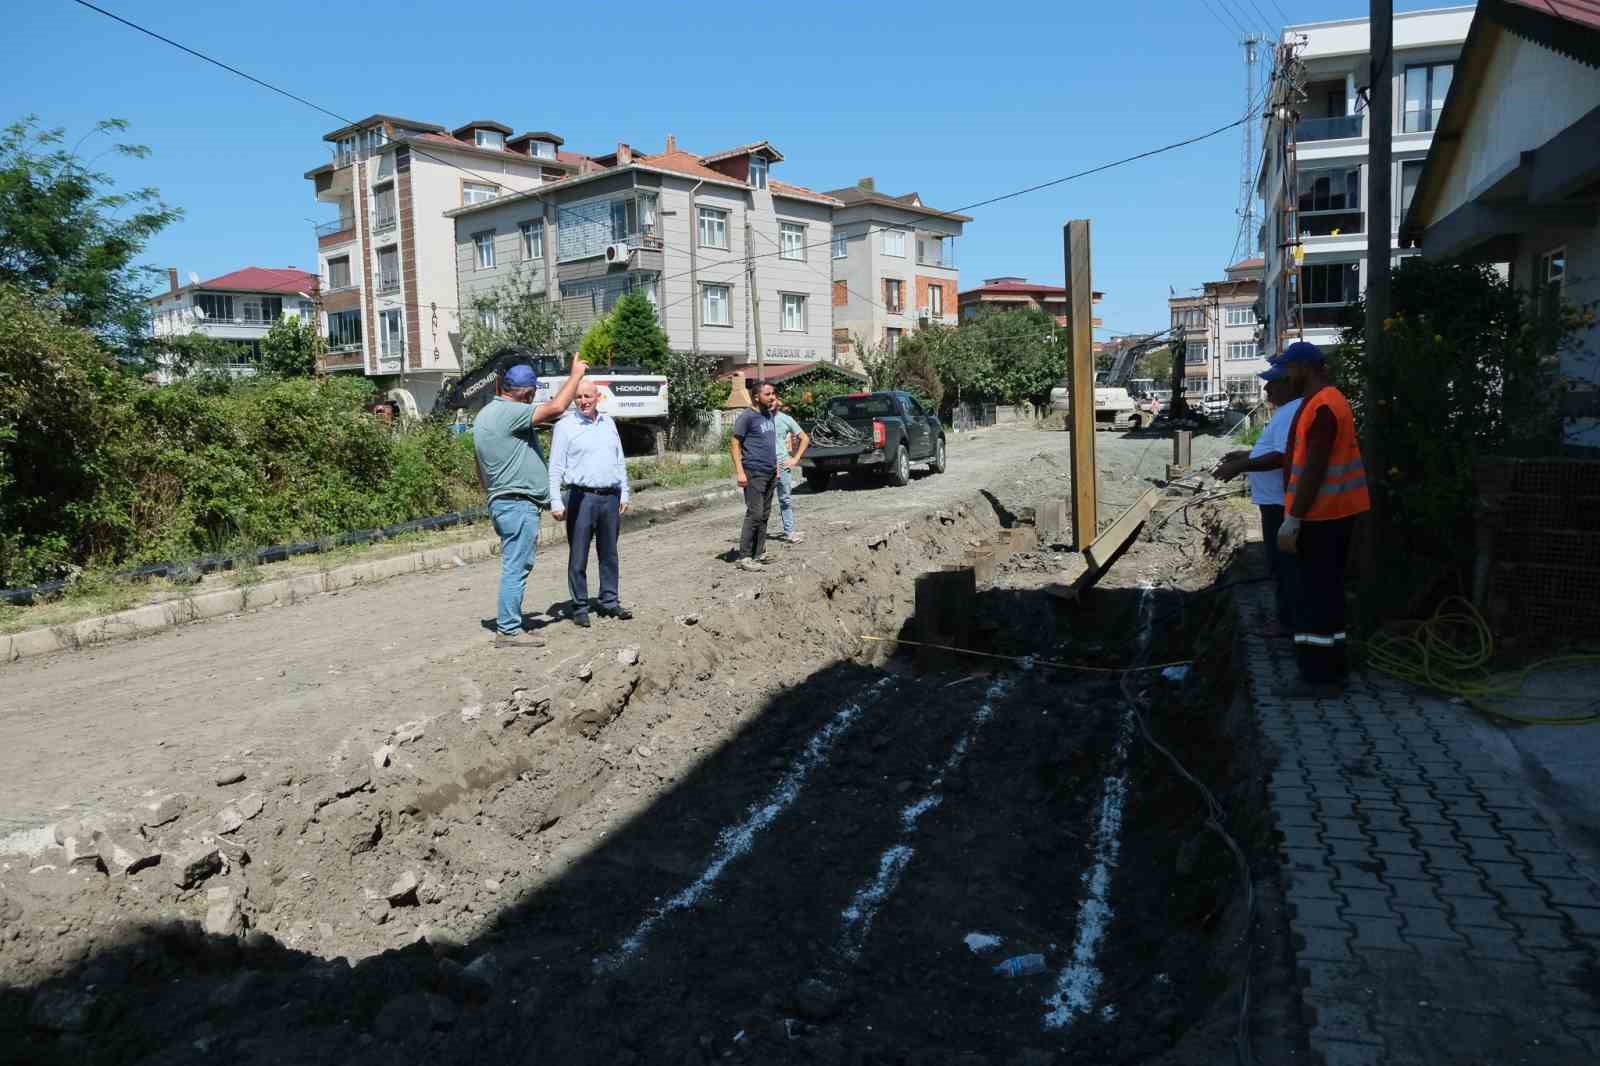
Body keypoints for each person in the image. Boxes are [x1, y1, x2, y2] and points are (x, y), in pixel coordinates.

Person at [472, 352, 588, 647]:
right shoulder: (511, 413)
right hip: (517, 503)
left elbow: (479, 466)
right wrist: (576, 374)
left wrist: (494, 492)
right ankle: (509, 630)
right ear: (528, 392)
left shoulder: (484, 416)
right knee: (516, 565)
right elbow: (557, 407)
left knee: (515, 563)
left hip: (504, 501)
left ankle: (511, 621)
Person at [1276, 340, 1371, 697]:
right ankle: (1333, 668)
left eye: (1289, 368)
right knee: (1326, 596)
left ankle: (1318, 678)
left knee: (1314, 598)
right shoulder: (1325, 402)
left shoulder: (1324, 408)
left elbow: (1314, 468)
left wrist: (1294, 518)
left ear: (1304, 367)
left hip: (1322, 518)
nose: (1285, 375)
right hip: (1330, 515)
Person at [1213, 364, 1303, 638]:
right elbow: (1273, 450)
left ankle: (1286, 623)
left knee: (1284, 565)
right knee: (1279, 563)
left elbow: (1281, 457)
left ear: (1289, 383)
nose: (1266, 389)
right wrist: (1245, 455)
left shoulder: (1291, 412)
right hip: (1274, 501)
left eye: (1272, 383)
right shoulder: (1286, 411)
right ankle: (1286, 619)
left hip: (1280, 503)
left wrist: (1239, 467)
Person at [548, 379, 632, 628]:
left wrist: (624, 492)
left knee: (609, 553)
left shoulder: (609, 423)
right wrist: (555, 499)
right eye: (578, 397)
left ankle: (609, 601)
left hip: (610, 497)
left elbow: (619, 460)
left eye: (588, 396)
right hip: (581, 498)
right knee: (579, 555)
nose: (583, 401)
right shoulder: (565, 426)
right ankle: (580, 606)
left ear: (598, 397)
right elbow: (555, 467)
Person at [730, 381, 780, 571]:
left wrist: (775, 466)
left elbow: (776, 405)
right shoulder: (747, 417)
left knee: (765, 514)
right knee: (755, 513)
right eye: (768, 394)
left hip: (769, 470)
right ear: (756, 397)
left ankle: (759, 553)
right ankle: (744, 557)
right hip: (753, 471)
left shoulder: (767, 414)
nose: (772, 397)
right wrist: (740, 471)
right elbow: (734, 444)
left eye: (773, 393)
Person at [771, 400, 811, 544]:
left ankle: (789, 532)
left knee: (785, 499)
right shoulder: (758, 418)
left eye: (773, 398)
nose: (771, 401)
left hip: (782, 464)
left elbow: (804, 438)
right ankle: (758, 538)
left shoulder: (785, 419)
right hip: (764, 465)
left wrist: (795, 459)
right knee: (761, 504)